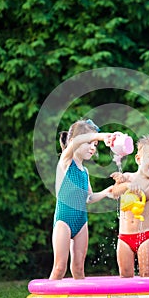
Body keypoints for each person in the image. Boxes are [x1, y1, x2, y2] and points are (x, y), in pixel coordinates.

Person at [49, 119, 116, 280]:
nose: (93, 147)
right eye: (90, 142)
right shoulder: (65, 163)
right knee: (59, 267)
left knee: (79, 268)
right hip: (63, 220)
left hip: (81, 221)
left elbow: (88, 197)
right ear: (74, 142)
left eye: (95, 144)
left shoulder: (84, 171)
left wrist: (107, 192)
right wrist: (103, 136)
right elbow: (78, 140)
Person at [111, 134, 149, 278]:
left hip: (145, 236)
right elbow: (115, 192)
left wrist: (128, 185)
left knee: (147, 273)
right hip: (124, 237)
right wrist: (121, 182)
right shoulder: (128, 177)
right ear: (138, 159)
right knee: (125, 274)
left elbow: (144, 195)